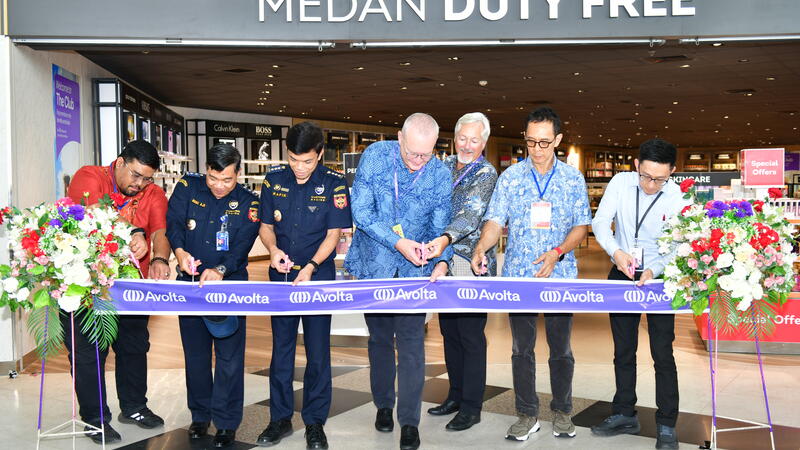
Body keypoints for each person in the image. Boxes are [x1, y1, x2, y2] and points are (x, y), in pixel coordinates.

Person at [472, 107, 591, 441]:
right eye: (530, 142)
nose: (537, 150)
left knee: (561, 349)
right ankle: (526, 413)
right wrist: (482, 246)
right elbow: (495, 221)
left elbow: (582, 227)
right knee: (521, 349)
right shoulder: (510, 178)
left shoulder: (572, 179)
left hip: (560, 274)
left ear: (558, 140)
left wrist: (557, 252)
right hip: (520, 276)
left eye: (544, 142)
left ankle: (563, 411)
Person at [344, 113, 452, 450]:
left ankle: (409, 421)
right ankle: (383, 405)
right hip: (375, 266)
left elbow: (440, 224)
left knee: (411, 346)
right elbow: (361, 213)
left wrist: (440, 258)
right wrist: (398, 242)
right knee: (378, 340)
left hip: (413, 273)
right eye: (412, 153)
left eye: (426, 154)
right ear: (399, 139)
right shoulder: (375, 157)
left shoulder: (439, 173)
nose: (419, 161)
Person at [64, 139, 170, 444]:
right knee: (89, 353)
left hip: (132, 286)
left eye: (147, 178)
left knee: (135, 347)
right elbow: (95, 213)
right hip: (88, 285)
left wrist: (160, 258)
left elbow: (161, 231)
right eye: (135, 175)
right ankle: (95, 418)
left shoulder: (153, 192)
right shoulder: (90, 176)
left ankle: (135, 406)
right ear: (120, 162)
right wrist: (134, 231)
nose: (139, 184)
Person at [255, 122, 353, 450]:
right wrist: (273, 250)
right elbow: (266, 226)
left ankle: (314, 422)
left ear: (320, 154)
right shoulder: (273, 180)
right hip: (281, 277)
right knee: (281, 349)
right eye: (294, 159)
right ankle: (279, 418)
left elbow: (334, 234)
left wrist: (311, 266)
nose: (300, 167)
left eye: (307, 161)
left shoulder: (335, 184)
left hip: (317, 278)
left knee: (317, 350)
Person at [590, 138, 688, 450]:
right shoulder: (620, 183)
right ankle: (624, 413)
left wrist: (653, 270)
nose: (650, 184)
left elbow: (675, 246)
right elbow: (602, 222)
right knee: (623, 350)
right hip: (621, 272)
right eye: (646, 176)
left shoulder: (677, 197)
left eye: (659, 179)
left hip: (659, 280)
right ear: (636, 166)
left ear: (672, 171)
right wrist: (616, 252)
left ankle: (667, 423)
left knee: (662, 353)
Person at [166, 144, 260, 448]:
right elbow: (174, 224)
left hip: (230, 288)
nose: (219, 186)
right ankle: (200, 416)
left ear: (238, 174)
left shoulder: (249, 203)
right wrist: (179, 253)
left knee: (230, 358)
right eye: (213, 178)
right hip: (190, 285)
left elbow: (242, 245)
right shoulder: (186, 187)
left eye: (227, 180)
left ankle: (227, 422)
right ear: (205, 170)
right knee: (195, 356)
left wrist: (220, 269)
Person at [426, 112, 498, 431]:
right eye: (462, 139)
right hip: (442, 259)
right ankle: (454, 395)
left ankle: (472, 406)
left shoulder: (485, 172)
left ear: (483, 142)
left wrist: (442, 239)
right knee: (449, 332)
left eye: (474, 140)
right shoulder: (441, 168)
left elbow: (470, 217)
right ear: (454, 139)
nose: (467, 145)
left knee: (470, 335)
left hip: (469, 261)